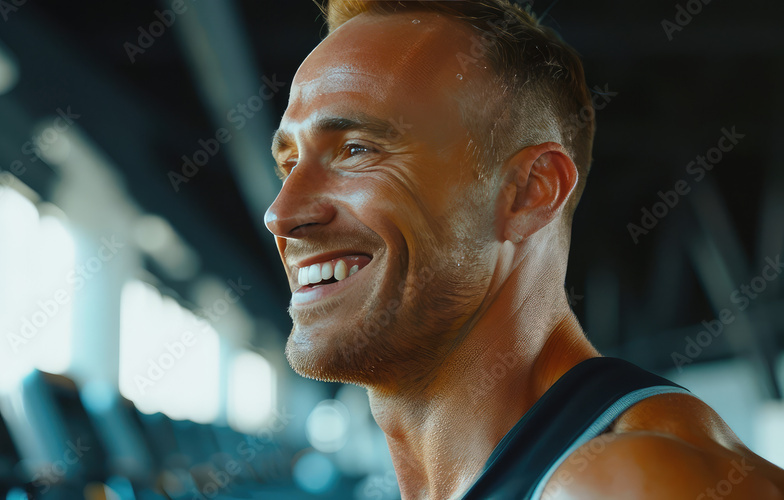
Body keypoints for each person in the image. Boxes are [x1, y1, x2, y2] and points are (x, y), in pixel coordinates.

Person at [262, 0, 784, 498]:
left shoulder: (616, 481)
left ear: (530, 192)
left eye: (356, 150)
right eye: (289, 164)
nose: (281, 214)